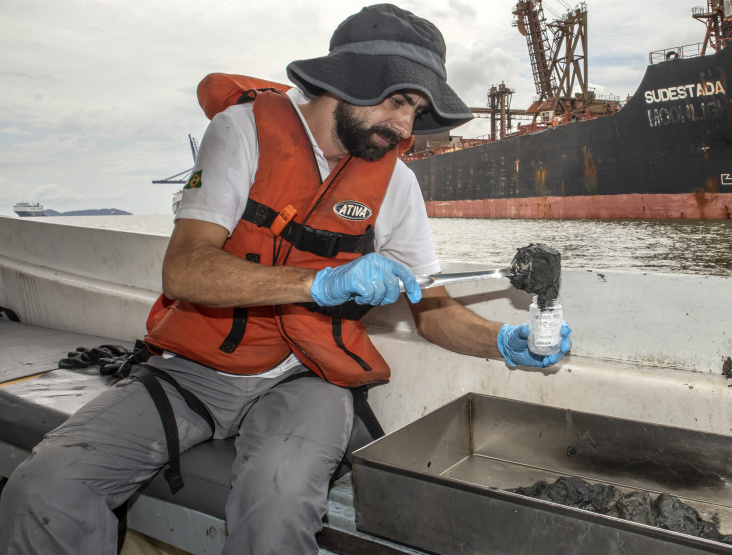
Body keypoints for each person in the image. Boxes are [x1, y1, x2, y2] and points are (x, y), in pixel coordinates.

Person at [0, 4, 572, 554]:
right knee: (45, 487)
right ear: (347, 81)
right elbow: (185, 267)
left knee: (275, 510)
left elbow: (431, 305)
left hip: (309, 377)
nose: (405, 129)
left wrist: (500, 341)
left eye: (416, 113)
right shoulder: (241, 131)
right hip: (197, 371)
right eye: (398, 102)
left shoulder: (396, 184)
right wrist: (318, 284)